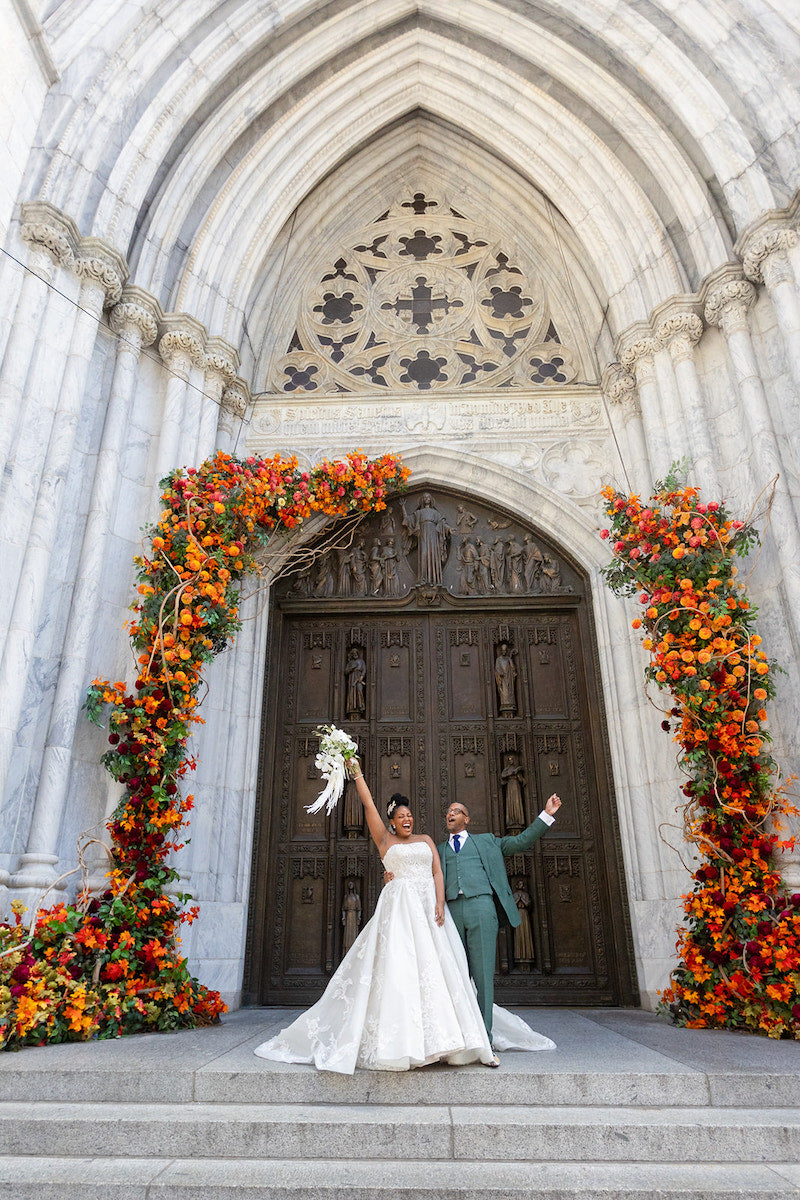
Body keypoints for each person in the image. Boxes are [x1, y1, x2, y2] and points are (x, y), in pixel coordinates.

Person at [254, 762, 555, 1073]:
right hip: (409, 913)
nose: (408, 819)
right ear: (392, 823)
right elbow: (372, 809)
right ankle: (412, 1041)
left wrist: (439, 902)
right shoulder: (395, 842)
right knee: (409, 973)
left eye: (410, 816)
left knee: (459, 977)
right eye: (401, 817)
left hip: (446, 913)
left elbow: (443, 870)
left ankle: (473, 1039)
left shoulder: (445, 842)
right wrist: (357, 774)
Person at [438, 793, 561, 1046]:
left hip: (482, 907)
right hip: (450, 913)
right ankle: (457, 1036)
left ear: (467, 819)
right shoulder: (437, 850)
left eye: (457, 810)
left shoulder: (486, 842)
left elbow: (520, 842)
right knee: (455, 974)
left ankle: (484, 1037)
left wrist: (546, 815)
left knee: (483, 974)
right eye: (449, 811)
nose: (451, 813)